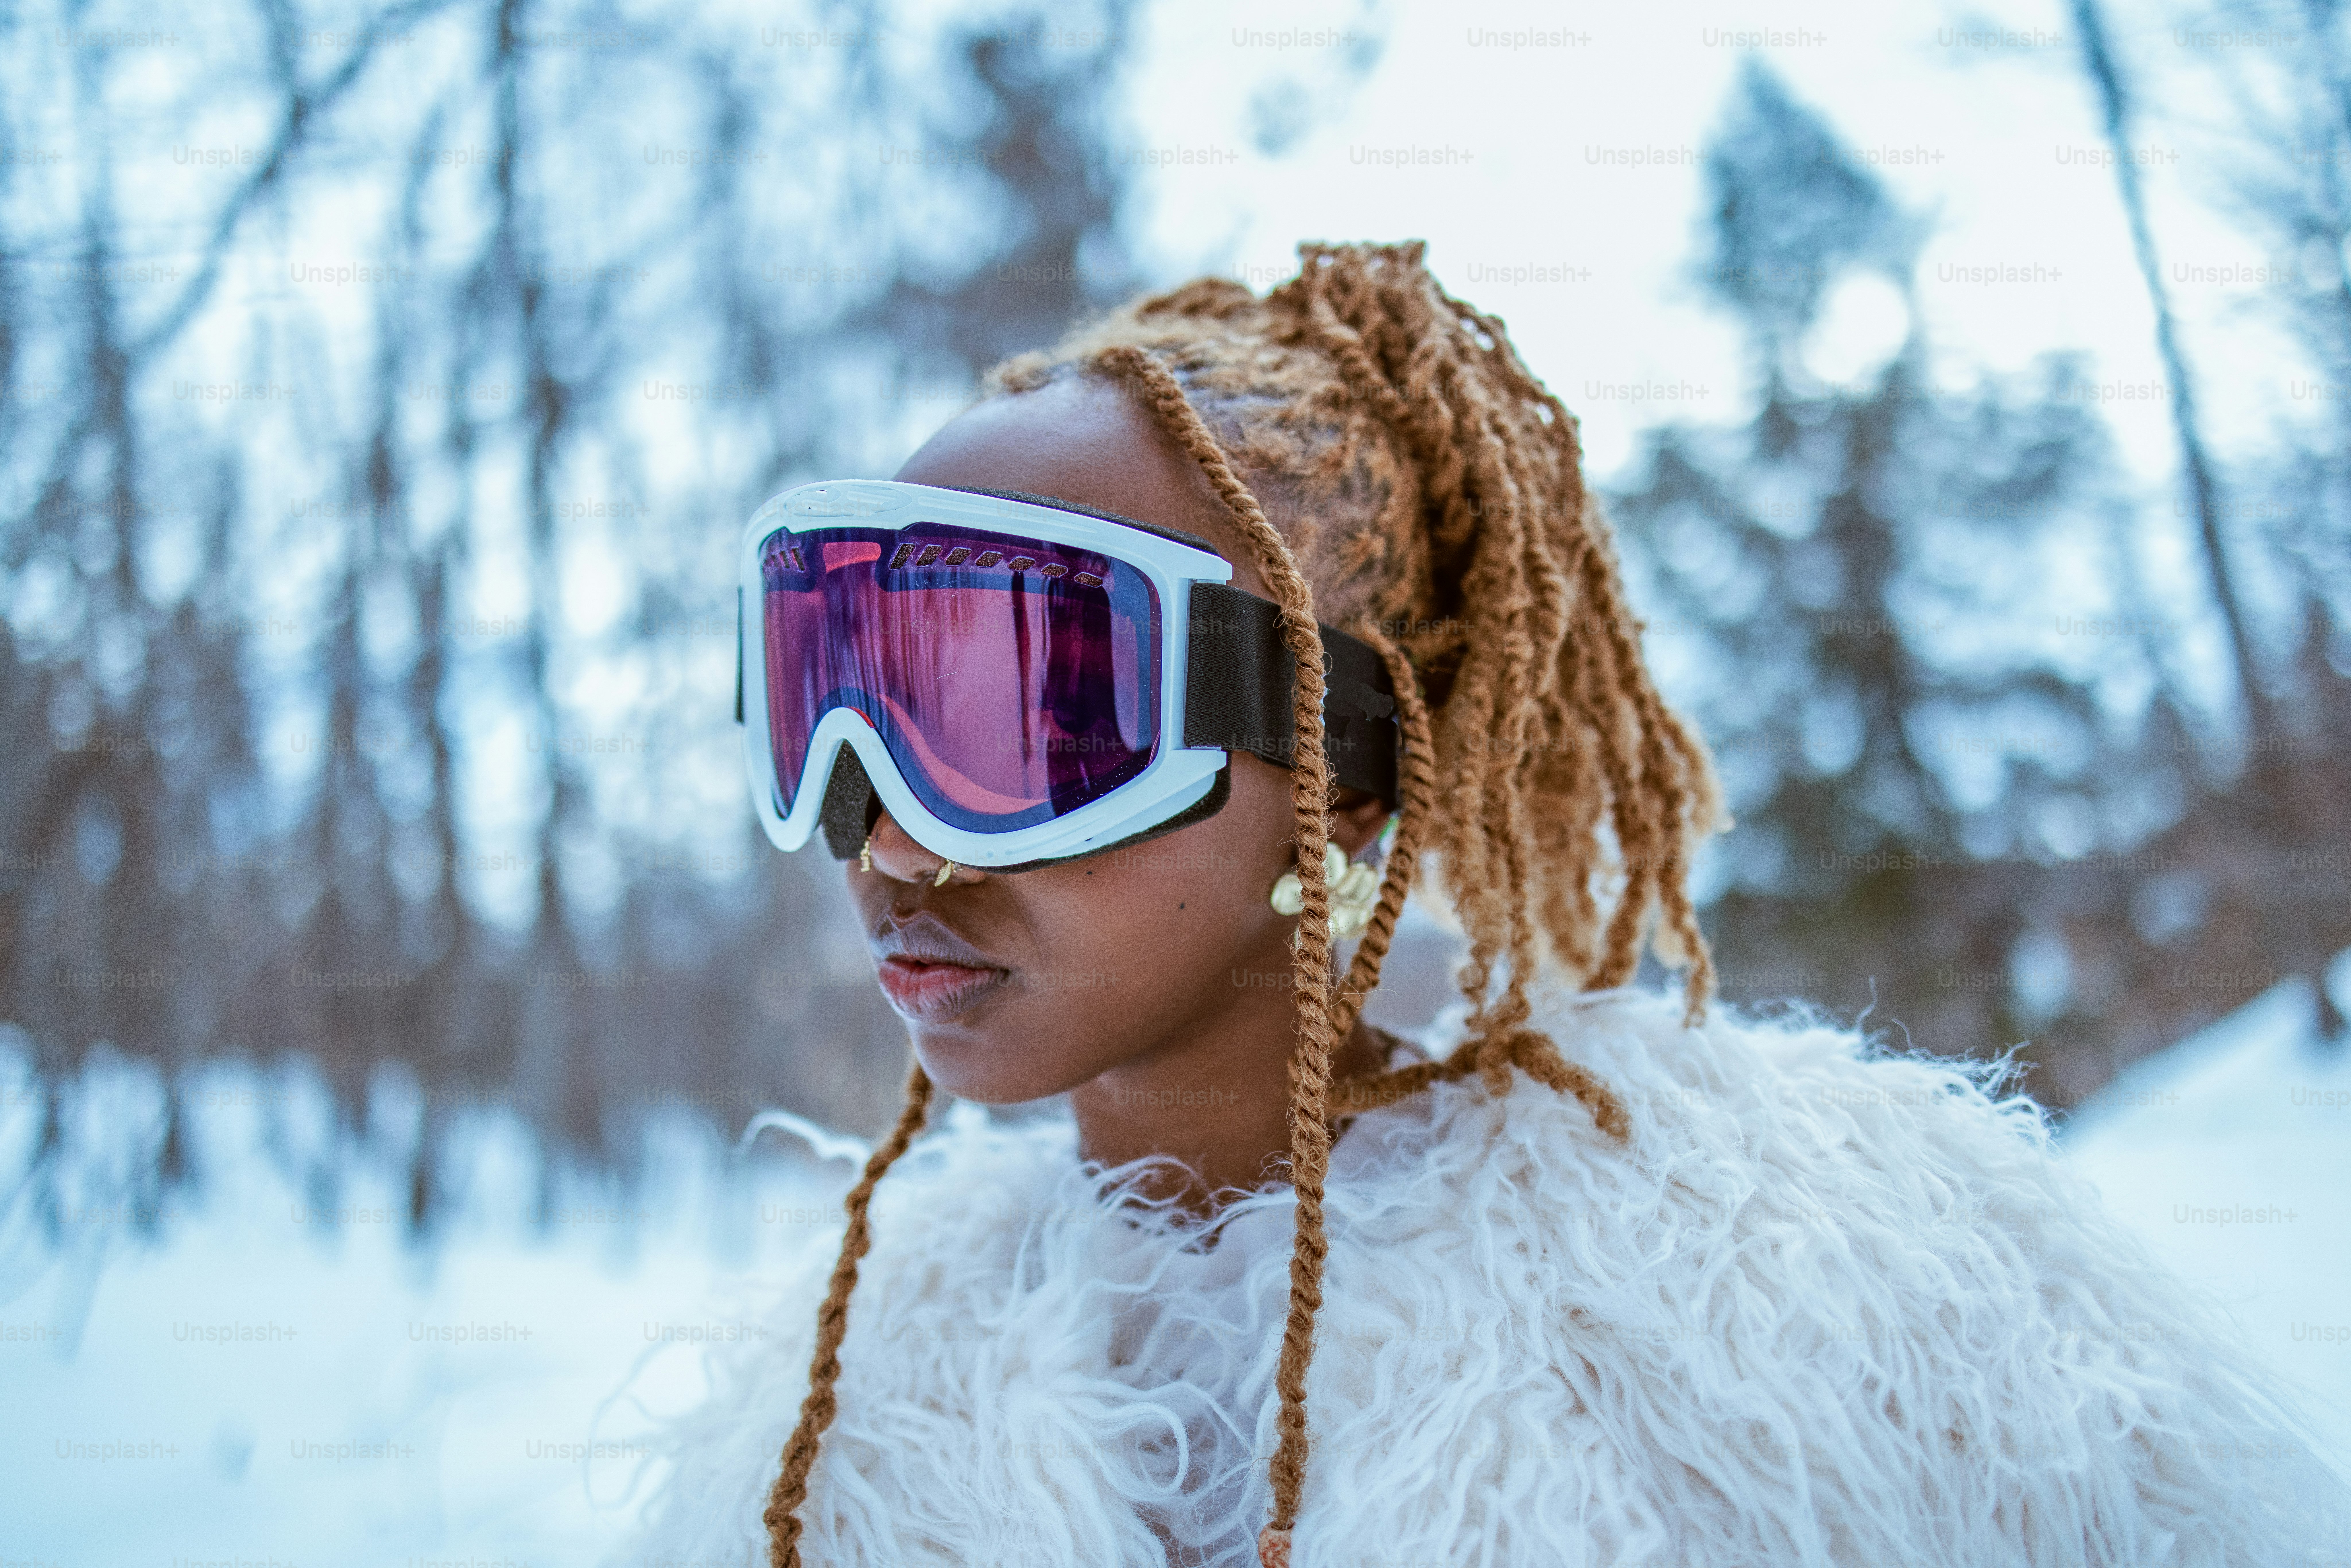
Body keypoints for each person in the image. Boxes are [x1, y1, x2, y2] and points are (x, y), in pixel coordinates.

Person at [639, 243, 2348, 1566]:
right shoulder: (832, 1419)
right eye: (827, 696)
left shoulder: (1809, 1304)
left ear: (1342, 771)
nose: (887, 843)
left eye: (1018, 714)